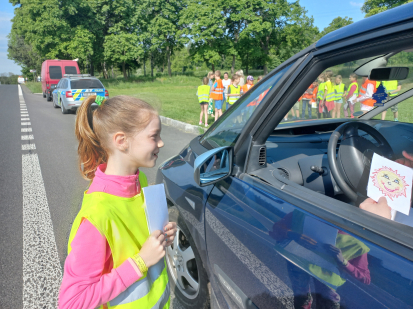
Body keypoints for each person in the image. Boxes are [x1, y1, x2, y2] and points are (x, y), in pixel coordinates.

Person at [59, 95, 177, 309]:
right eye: (154, 136)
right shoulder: (98, 214)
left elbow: (134, 242)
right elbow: (72, 302)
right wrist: (140, 262)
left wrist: (161, 237)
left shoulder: (138, 180)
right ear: (121, 141)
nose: (161, 143)